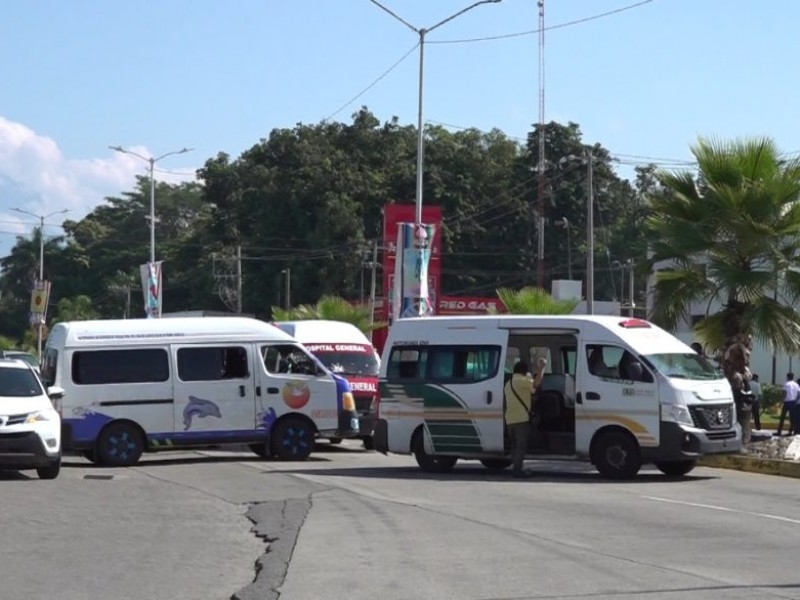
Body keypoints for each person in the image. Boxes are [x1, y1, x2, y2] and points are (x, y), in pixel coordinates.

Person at [504, 357, 547, 478]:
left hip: (509, 419)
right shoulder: (522, 380)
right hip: (520, 419)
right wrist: (542, 368)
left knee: (514, 445)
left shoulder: (509, 382)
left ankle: (515, 467)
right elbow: (536, 383)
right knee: (520, 446)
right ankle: (517, 470)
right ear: (524, 371)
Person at [731, 372, 753, 445]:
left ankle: (745, 442)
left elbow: (746, 396)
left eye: (737, 380)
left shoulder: (745, 387)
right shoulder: (736, 388)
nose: (736, 382)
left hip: (744, 409)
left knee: (745, 427)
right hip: (739, 410)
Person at [777, 372, 799, 436]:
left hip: (787, 402)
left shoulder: (786, 384)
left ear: (787, 377)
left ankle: (779, 431)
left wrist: (781, 402)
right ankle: (792, 431)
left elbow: (784, 393)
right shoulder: (796, 385)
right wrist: (795, 401)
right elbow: (798, 394)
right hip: (793, 402)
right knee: (793, 418)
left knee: (782, 417)